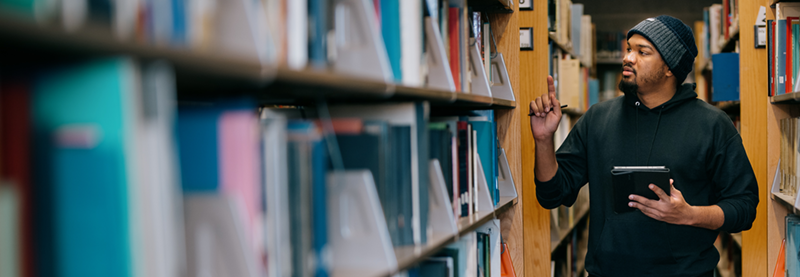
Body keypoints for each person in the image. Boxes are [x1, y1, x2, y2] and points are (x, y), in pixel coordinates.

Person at [529, 15, 758, 277]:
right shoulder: (597, 118)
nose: (628, 57)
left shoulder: (712, 124)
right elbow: (552, 195)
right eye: (628, 48)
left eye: (642, 51)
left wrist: (688, 214)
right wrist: (543, 140)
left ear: (670, 67)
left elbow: (744, 207)